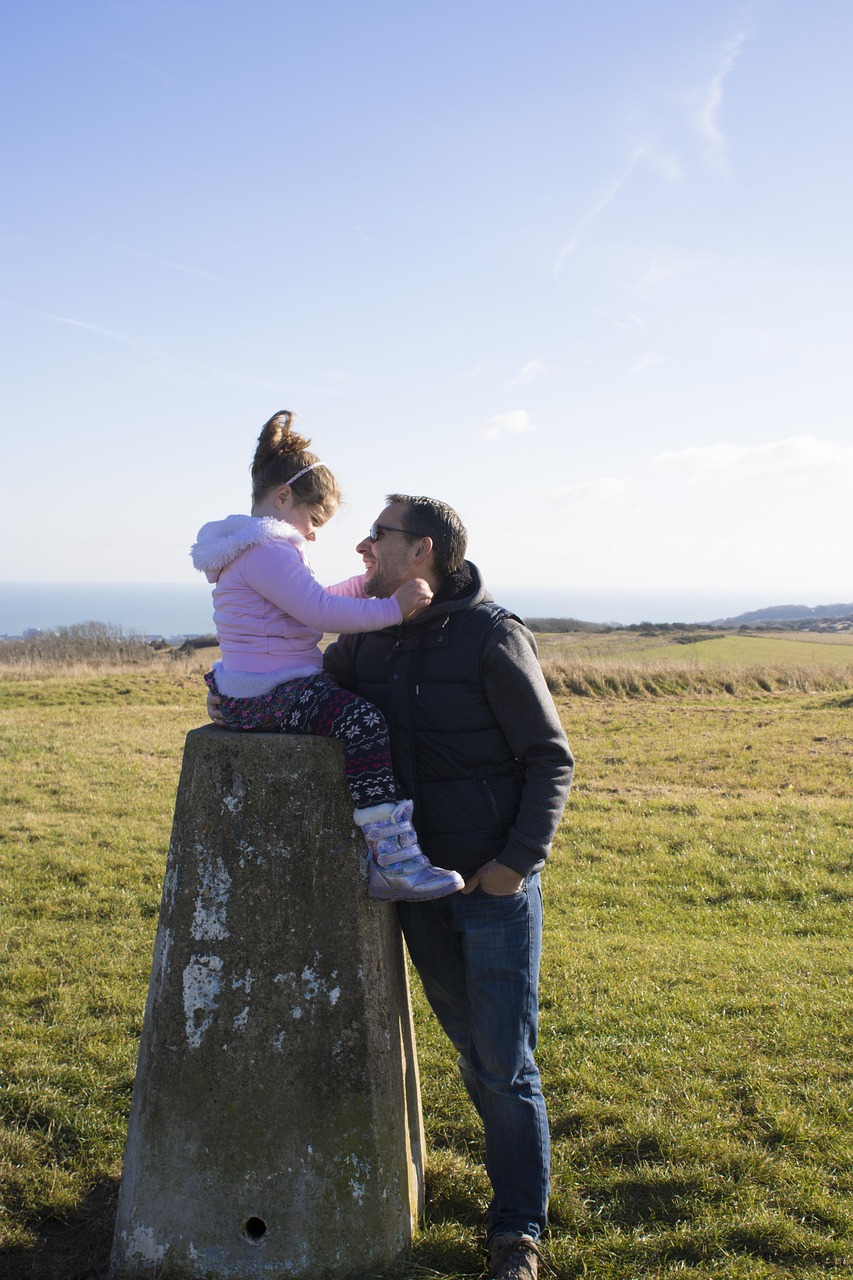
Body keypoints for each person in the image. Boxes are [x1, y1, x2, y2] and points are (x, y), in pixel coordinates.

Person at [210, 491, 574, 1280]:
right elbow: (293, 689)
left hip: (491, 887)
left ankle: (517, 1233)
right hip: (416, 891)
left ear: (424, 553)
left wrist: (515, 862)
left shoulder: (490, 634)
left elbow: (550, 757)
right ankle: (516, 1193)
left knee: (504, 1064)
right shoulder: (362, 645)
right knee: (473, 1052)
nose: (362, 549)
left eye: (378, 536)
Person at [192, 412, 464, 902]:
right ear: (283, 498)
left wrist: (365, 585)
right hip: (274, 689)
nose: (315, 534)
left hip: (251, 687)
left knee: (348, 710)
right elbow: (320, 611)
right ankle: (393, 859)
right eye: (314, 520)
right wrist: (393, 609)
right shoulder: (269, 552)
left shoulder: (251, 550)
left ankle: (395, 853)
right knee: (362, 722)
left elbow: (307, 608)